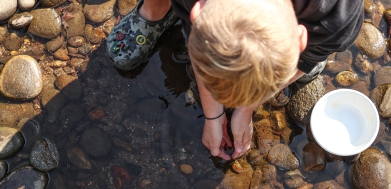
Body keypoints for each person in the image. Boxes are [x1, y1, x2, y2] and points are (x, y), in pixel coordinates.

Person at [107, 0, 363, 160]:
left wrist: (245, 110)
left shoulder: (339, 11)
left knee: (316, 53)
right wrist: (213, 115)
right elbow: (201, 44)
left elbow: (314, 51)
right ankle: (156, 9)